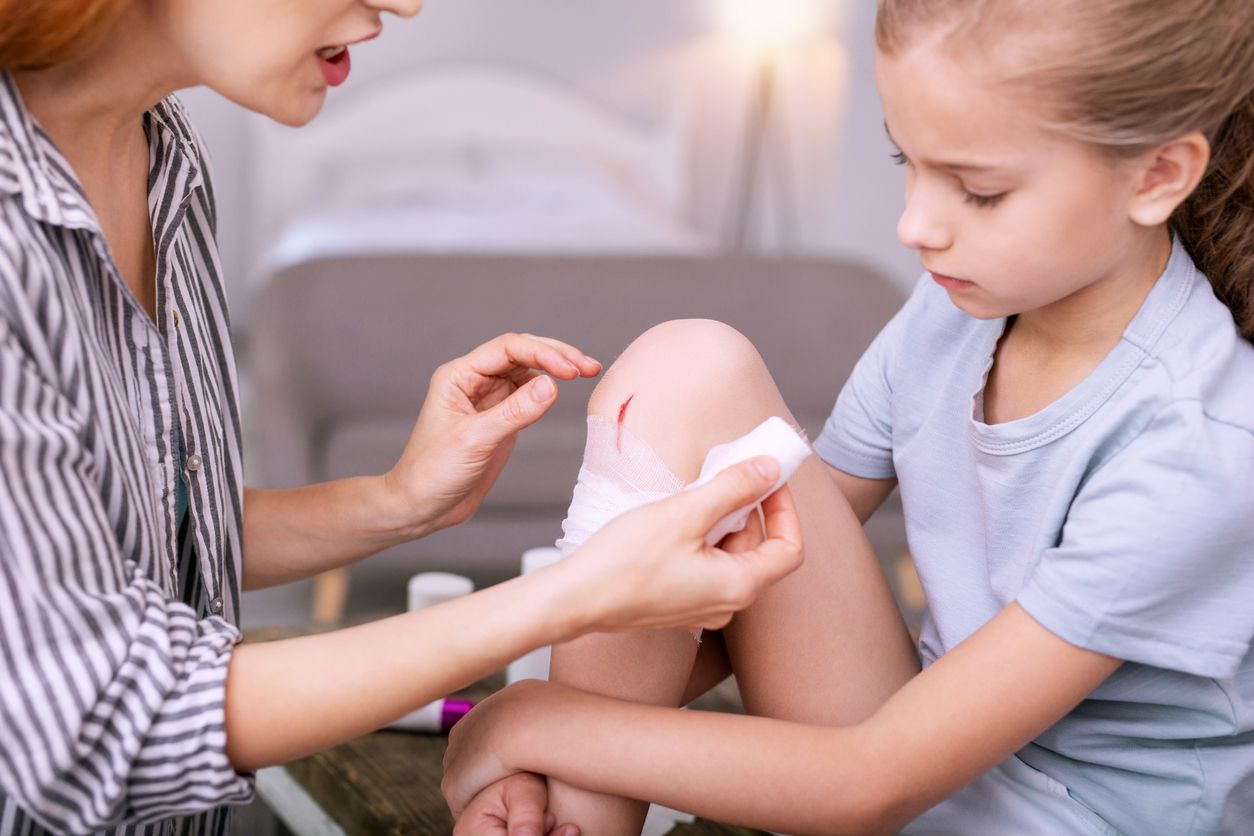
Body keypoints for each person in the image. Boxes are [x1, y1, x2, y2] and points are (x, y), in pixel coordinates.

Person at [441, 0, 1254, 833]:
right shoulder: (955, 312)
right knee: (688, 365)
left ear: (1157, 176)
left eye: (978, 190)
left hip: (1029, 812)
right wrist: (546, 762)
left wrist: (531, 722)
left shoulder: (1197, 444)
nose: (914, 226)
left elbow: (869, 787)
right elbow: (753, 574)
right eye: (908, 160)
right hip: (913, 752)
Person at [0, 1, 806, 833]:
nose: (404, 2)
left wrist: (399, 501)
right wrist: (571, 597)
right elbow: (93, 722)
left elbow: (135, 536)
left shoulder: (162, 158)